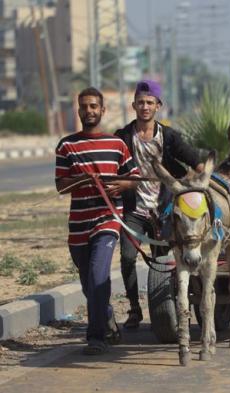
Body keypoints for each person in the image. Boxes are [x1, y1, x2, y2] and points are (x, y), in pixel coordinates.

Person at [114, 80, 205, 329]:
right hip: (134, 210)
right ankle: (134, 308)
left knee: (164, 263)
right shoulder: (121, 137)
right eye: (140, 102)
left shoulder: (170, 137)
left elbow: (196, 163)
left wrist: (198, 178)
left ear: (158, 106)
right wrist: (119, 183)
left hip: (165, 210)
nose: (145, 107)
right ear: (133, 105)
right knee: (126, 257)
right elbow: (111, 168)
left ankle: (167, 309)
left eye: (150, 103)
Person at [55, 87, 139, 355]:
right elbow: (60, 185)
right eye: (84, 106)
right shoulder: (66, 145)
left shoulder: (117, 144)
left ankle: (96, 337)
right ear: (78, 111)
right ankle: (107, 316)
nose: (89, 111)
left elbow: (134, 178)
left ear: (103, 111)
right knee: (88, 284)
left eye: (94, 106)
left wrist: (121, 185)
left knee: (98, 274)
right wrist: (82, 179)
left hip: (107, 219)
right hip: (79, 223)